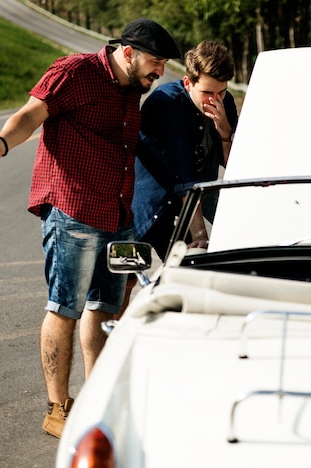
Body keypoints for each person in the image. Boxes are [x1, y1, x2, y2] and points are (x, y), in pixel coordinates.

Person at [0, 18, 180, 439]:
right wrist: (1, 143)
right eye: (156, 62)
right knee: (65, 307)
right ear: (130, 53)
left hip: (119, 214)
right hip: (74, 212)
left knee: (107, 307)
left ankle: (96, 395)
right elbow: (31, 114)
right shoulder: (75, 72)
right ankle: (57, 408)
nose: (160, 72)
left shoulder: (132, 91)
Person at [122, 41, 237, 309]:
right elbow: (183, 174)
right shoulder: (167, 103)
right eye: (207, 92)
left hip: (193, 203)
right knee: (123, 284)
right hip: (148, 205)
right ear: (187, 83)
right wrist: (200, 233)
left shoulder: (224, 102)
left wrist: (224, 131)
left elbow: (234, 167)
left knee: (189, 280)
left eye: (221, 92)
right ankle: (114, 343)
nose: (215, 99)